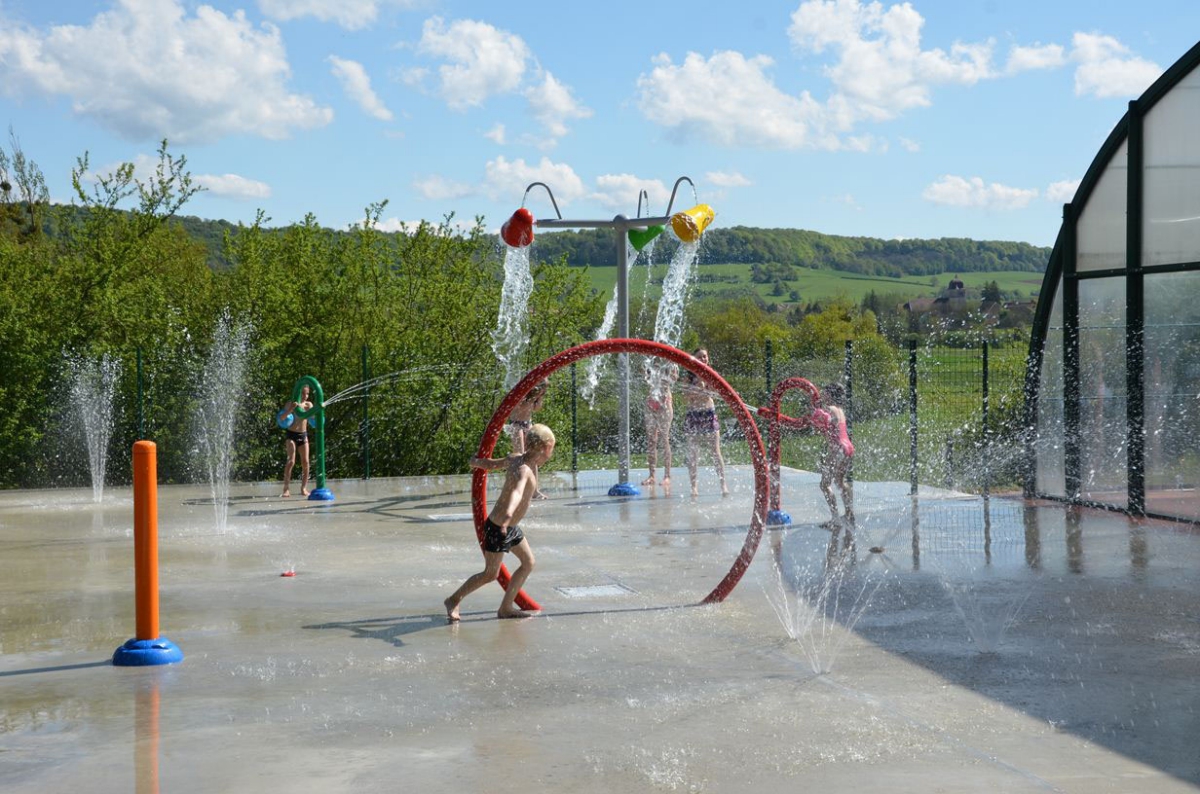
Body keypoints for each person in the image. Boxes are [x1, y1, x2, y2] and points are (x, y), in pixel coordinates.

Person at [445, 423, 556, 622]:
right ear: (546, 447)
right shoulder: (524, 471)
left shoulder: (516, 459)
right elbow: (516, 493)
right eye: (552, 448)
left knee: (528, 563)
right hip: (499, 527)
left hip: (510, 527)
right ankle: (453, 599)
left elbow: (491, 465)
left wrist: (477, 462)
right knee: (490, 574)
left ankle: (505, 607)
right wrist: (506, 518)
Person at [680, 348, 728, 498]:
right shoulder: (688, 377)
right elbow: (685, 397)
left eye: (705, 356)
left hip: (708, 413)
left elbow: (717, 393)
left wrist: (708, 386)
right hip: (693, 414)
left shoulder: (711, 374)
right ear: (693, 359)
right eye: (700, 357)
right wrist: (696, 388)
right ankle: (694, 487)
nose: (703, 359)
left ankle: (723, 484)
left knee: (715, 451)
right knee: (693, 453)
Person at [811, 383, 854, 526]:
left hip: (837, 449)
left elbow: (824, 420)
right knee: (840, 482)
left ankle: (835, 519)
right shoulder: (840, 410)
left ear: (830, 394)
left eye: (825, 392)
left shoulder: (829, 409)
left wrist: (816, 416)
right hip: (847, 447)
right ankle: (849, 514)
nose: (822, 395)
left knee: (824, 484)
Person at [505, 379, 549, 499]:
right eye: (541, 390)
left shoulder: (535, 398)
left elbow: (536, 409)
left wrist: (539, 398)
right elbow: (513, 406)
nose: (542, 393)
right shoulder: (522, 394)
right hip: (516, 425)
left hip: (527, 424)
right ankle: (518, 487)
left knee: (533, 457)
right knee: (520, 457)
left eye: (543, 391)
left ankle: (534, 490)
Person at [641, 362, 678, 488]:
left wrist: (671, 372)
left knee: (664, 439)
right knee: (651, 440)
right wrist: (645, 370)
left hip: (665, 403)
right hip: (651, 403)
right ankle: (651, 475)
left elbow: (674, 379)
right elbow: (645, 379)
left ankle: (667, 476)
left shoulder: (669, 364)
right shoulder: (650, 363)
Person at [280, 384, 313, 498]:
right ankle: (286, 488)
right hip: (291, 435)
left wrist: (313, 411)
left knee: (306, 462)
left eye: (307, 393)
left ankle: (304, 488)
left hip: (303, 435)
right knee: (291, 462)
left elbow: (314, 418)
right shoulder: (290, 403)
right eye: (302, 393)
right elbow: (282, 418)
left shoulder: (308, 405)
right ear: (298, 393)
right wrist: (290, 409)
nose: (305, 396)